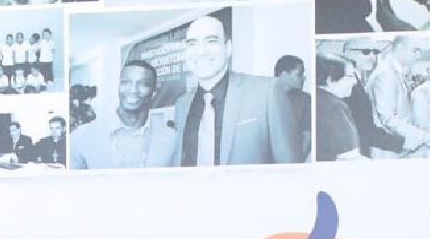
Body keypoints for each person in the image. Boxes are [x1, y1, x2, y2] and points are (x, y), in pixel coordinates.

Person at [173, 12, 305, 165]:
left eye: (211, 41)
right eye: (192, 43)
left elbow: (290, 166)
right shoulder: (181, 105)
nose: (201, 51)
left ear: (228, 48)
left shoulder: (267, 92)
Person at [70, 57, 181, 169]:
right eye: (126, 82)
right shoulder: (82, 136)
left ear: (153, 93)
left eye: (143, 84)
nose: (133, 90)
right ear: (119, 87)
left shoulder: (171, 138)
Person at [313, 52, 365, 159]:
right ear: (330, 80)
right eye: (351, 76)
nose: (355, 82)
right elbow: (349, 156)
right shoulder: (334, 107)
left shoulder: (317, 99)